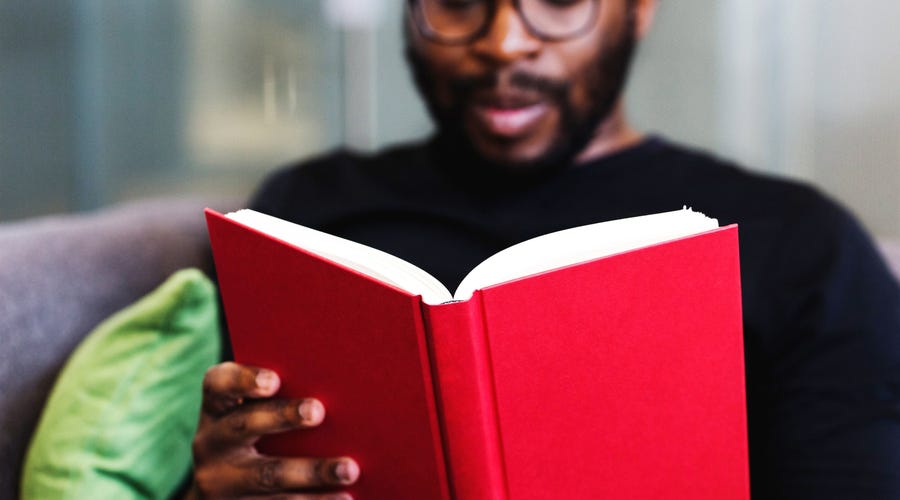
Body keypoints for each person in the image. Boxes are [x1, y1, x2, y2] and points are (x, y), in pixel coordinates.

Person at [190, 0, 900, 498]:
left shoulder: (803, 242)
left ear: (639, 9)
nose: (504, 41)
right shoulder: (305, 215)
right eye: (459, 0)